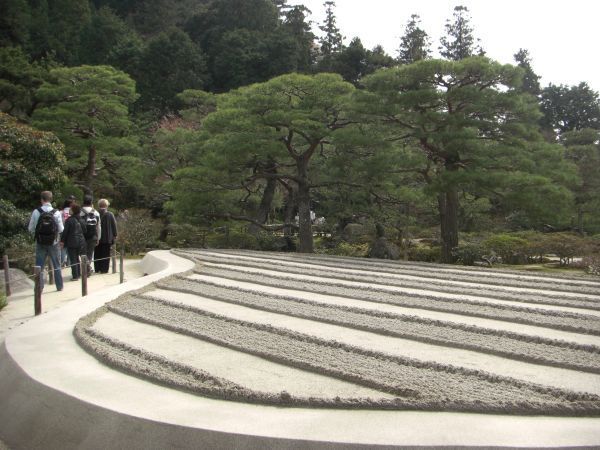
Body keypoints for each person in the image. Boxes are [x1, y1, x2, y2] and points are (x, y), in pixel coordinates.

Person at [27, 191, 64, 291]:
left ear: (41, 199)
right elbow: (61, 229)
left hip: (40, 242)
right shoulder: (56, 212)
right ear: (51, 199)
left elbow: (30, 228)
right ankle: (59, 286)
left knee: (40, 266)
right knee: (56, 265)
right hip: (54, 242)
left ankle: (39, 287)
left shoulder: (36, 211)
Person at [60, 203, 86, 281]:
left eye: (71, 209)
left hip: (72, 241)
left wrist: (62, 241)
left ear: (73, 210)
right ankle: (79, 273)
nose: (69, 210)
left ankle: (75, 275)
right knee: (78, 258)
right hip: (81, 241)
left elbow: (65, 232)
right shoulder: (82, 219)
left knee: (73, 259)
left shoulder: (69, 220)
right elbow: (85, 230)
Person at [94, 198, 118, 274]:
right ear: (106, 205)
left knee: (97, 253)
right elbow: (114, 226)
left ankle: (97, 268)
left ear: (99, 205)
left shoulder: (95, 213)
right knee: (106, 254)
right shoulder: (110, 214)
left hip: (97, 237)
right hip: (107, 238)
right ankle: (104, 269)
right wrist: (115, 235)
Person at [80, 195, 101, 275]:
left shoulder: (80, 212)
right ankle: (88, 268)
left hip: (82, 236)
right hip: (93, 236)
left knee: (83, 253)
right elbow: (98, 226)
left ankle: (85, 269)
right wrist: (98, 237)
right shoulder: (96, 212)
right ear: (91, 202)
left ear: (83, 202)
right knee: (90, 253)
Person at [59, 198, 73, 267]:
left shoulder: (61, 212)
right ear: (71, 204)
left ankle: (61, 262)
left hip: (62, 231)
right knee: (70, 248)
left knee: (63, 248)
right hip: (71, 232)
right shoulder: (72, 212)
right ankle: (69, 263)